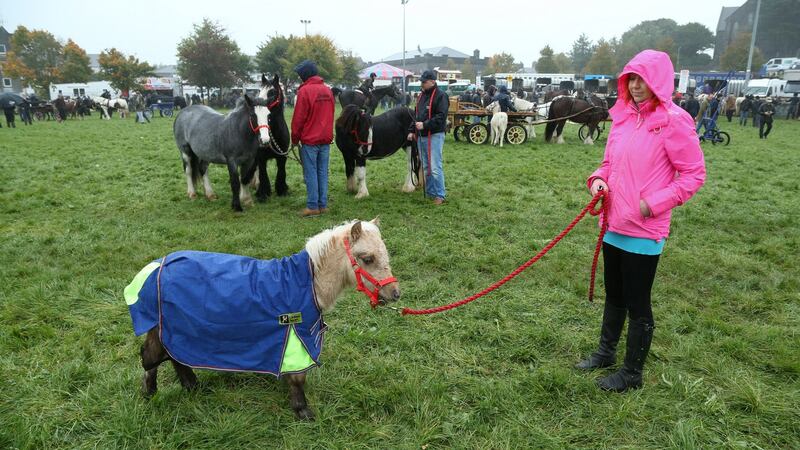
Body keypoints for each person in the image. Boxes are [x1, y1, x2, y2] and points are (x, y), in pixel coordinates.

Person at [577, 49, 706, 392]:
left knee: (637, 302)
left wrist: (653, 204)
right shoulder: (621, 119)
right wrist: (597, 180)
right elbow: (607, 164)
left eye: (642, 79)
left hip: (645, 230)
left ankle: (632, 373)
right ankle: (605, 353)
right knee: (614, 294)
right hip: (613, 225)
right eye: (630, 78)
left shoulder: (674, 120)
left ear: (658, 81)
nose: (635, 86)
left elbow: (693, 175)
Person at [291, 60, 335, 217]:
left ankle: (312, 206)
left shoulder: (304, 92)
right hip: (325, 139)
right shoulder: (327, 90)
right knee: (322, 172)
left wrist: (294, 139)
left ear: (304, 75)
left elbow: (298, 119)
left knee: (311, 173)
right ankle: (322, 205)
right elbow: (331, 115)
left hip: (310, 140)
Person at [407, 69, 449, 205]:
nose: (422, 84)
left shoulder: (441, 96)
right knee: (426, 166)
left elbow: (441, 117)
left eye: (424, 82)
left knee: (435, 166)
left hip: (434, 135)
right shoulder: (422, 96)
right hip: (421, 136)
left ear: (432, 81)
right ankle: (431, 192)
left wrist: (424, 125)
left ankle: (440, 195)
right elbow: (416, 115)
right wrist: (412, 130)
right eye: (422, 81)